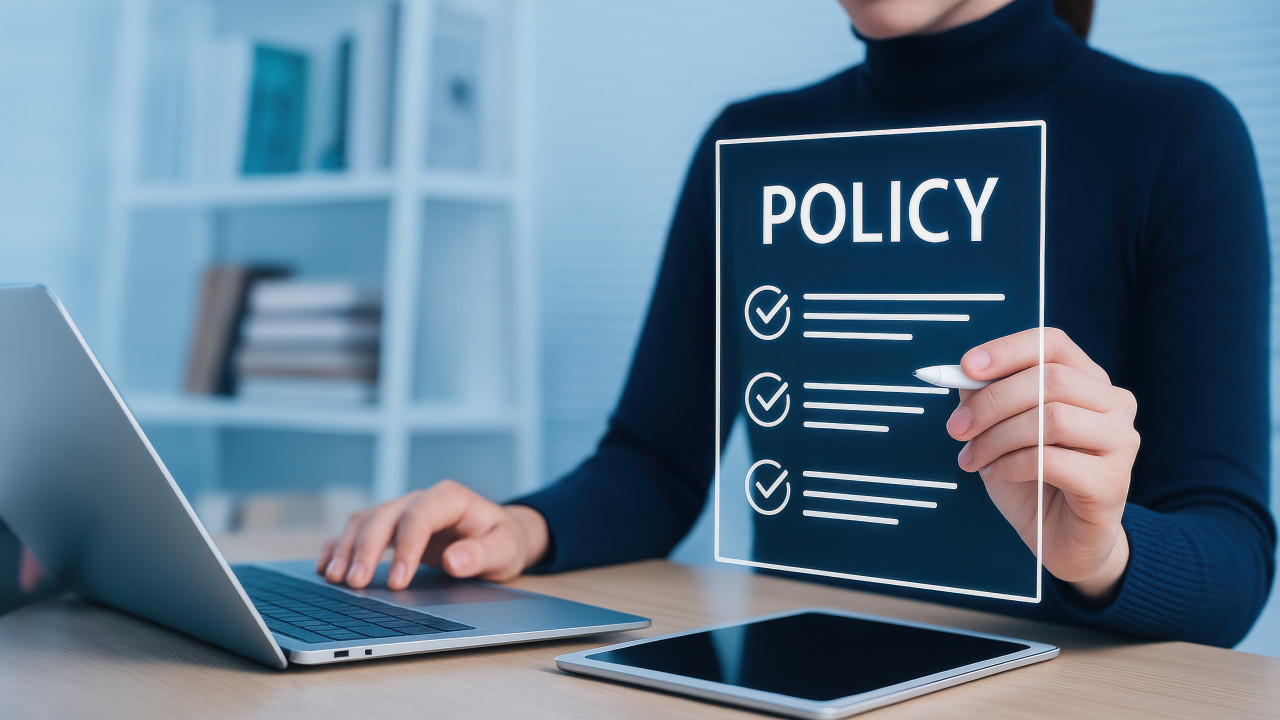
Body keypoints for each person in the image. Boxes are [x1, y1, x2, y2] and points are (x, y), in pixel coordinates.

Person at [317, 0, 1276, 647]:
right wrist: (517, 531)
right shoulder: (752, 145)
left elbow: (1231, 560)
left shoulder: (1173, 137)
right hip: (799, 684)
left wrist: (1102, 554)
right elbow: (653, 466)